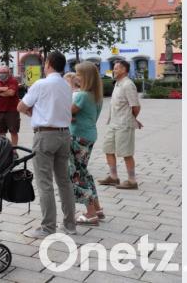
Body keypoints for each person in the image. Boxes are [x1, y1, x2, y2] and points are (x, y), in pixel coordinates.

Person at [18, 51, 77, 238]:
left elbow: (21, 106)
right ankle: (70, 224)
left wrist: (33, 113)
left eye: (45, 63)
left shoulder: (41, 84)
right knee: (64, 182)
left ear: (49, 64)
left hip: (45, 135)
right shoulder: (67, 85)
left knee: (45, 183)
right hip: (64, 134)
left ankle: (48, 227)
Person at [69, 62, 105, 226]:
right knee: (83, 172)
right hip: (89, 135)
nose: (75, 76)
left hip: (78, 136)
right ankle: (97, 208)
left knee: (76, 174)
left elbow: (67, 112)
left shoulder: (82, 96)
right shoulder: (96, 95)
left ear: (86, 77)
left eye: (78, 74)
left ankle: (90, 213)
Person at [98, 60, 143, 190]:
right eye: (114, 68)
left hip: (124, 125)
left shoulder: (128, 85)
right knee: (108, 150)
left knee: (126, 153)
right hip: (113, 123)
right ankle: (113, 177)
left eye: (116, 68)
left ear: (124, 70)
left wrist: (132, 118)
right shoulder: (118, 84)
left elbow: (136, 106)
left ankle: (132, 181)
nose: (114, 70)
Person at [0, 65, 21, 146]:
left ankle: (14, 150)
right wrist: (1, 89)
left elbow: (11, 93)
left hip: (12, 111)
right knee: (1, 132)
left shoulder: (13, 81)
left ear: (8, 73)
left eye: (3, 72)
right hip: (0, 110)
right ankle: (4, 148)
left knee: (13, 131)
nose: (1, 74)